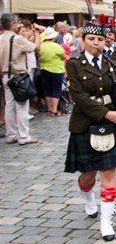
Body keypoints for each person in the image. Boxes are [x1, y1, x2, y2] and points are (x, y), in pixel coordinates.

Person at [64, 22, 116, 241]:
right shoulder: (74, 65)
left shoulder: (113, 64)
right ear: (83, 41)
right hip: (85, 124)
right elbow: (79, 98)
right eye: (91, 39)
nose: (96, 43)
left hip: (111, 124)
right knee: (88, 175)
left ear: (105, 42)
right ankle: (88, 198)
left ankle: (106, 222)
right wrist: (107, 114)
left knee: (108, 172)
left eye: (100, 40)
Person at [0, 14, 40, 145]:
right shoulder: (17, 39)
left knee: (9, 106)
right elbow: (36, 47)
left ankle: (11, 134)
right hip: (18, 75)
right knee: (22, 106)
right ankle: (24, 136)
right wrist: (37, 33)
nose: (19, 25)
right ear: (12, 25)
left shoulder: (1, 38)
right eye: (17, 23)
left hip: (6, 75)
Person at [39, 27, 68, 117]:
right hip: (56, 70)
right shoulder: (56, 46)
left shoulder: (41, 46)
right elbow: (63, 57)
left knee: (47, 90)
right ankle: (54, 110)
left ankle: (49, 109)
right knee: (56, 90)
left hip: (44, 69)